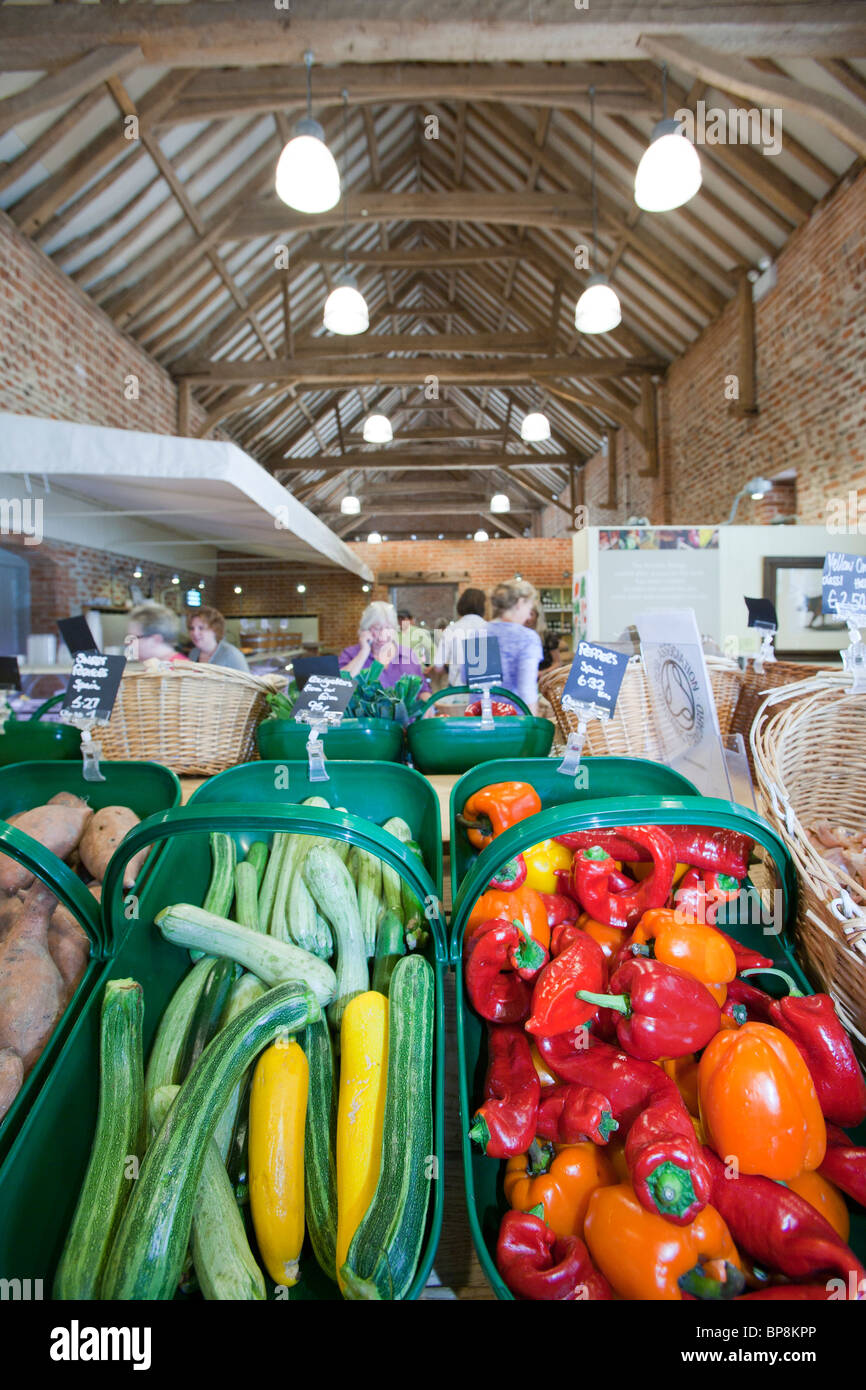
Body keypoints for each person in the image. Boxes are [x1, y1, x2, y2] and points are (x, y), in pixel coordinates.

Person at [483, 580, 543, 714]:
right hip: (513, 721)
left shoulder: (478, 633)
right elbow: (527, 690)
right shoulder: (527, 638)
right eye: (529, 608)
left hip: (478, 717)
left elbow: (468, 680)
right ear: (520, 603)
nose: (528, 616)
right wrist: (533, 723)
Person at [339, 602, 430, 691]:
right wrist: (364, 652)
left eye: (388, 628)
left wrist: (430, 705)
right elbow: (340, 686)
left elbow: (422, 689)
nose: (383, 635)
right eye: (377, 628)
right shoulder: (350, 654)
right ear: (365, 629)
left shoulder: (407, 654)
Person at [433, 588, 488, 698]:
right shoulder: (490, 628)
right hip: (487, 693)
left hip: (458, 692)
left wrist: (452, 669)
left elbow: (437, 667)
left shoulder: (451, 629)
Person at [187, 606, 250, 672]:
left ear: (214, 630)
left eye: (201, 628)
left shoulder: (231, 655)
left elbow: (247, 682)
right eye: (192, 628)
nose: (194, 633)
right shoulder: (193, 653)